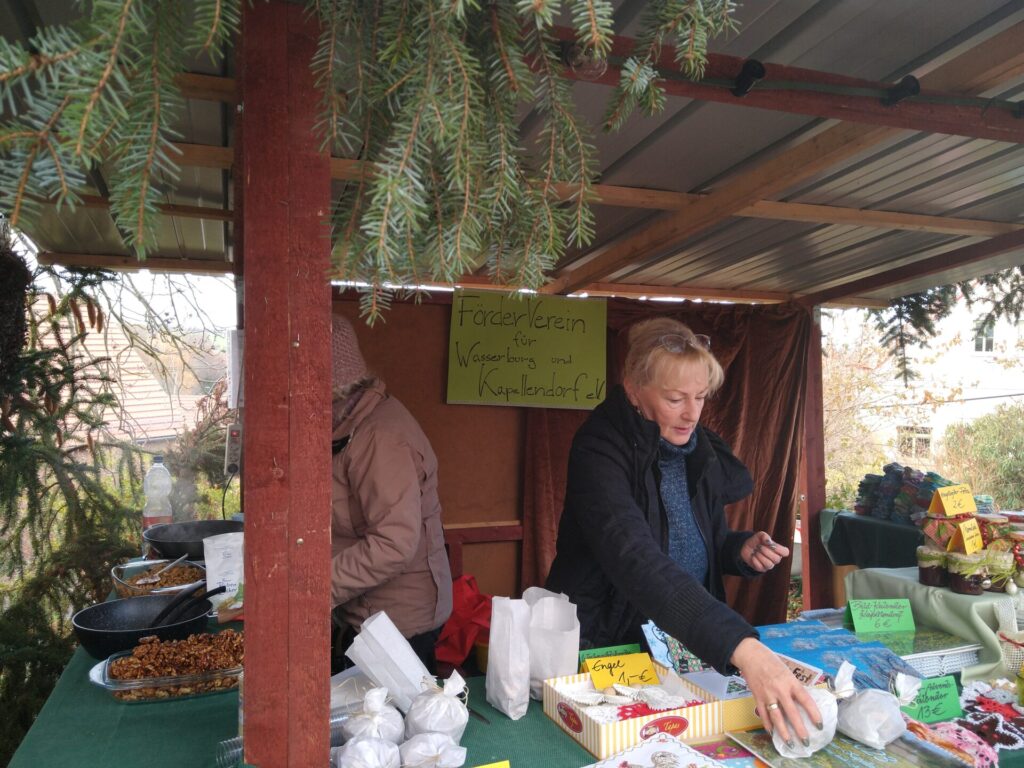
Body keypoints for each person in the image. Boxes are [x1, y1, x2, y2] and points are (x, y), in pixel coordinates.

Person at [545, 316, 821, 745]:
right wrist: (744, 649)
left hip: (684, 642)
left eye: (700, 397)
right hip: (611, 643)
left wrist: (736, 549)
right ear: (634, 389)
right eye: (675, 399)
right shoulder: (598, 447)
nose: (692, 413)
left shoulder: (697, 447)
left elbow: (693, 539)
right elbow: (636, 557)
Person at [329, 313, 453, 673]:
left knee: (395, 727)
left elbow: (393, 542)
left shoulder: (380, 438)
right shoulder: (349, 425)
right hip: (369, 614)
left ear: (335, 393)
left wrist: (314, 588)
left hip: (397, 624)